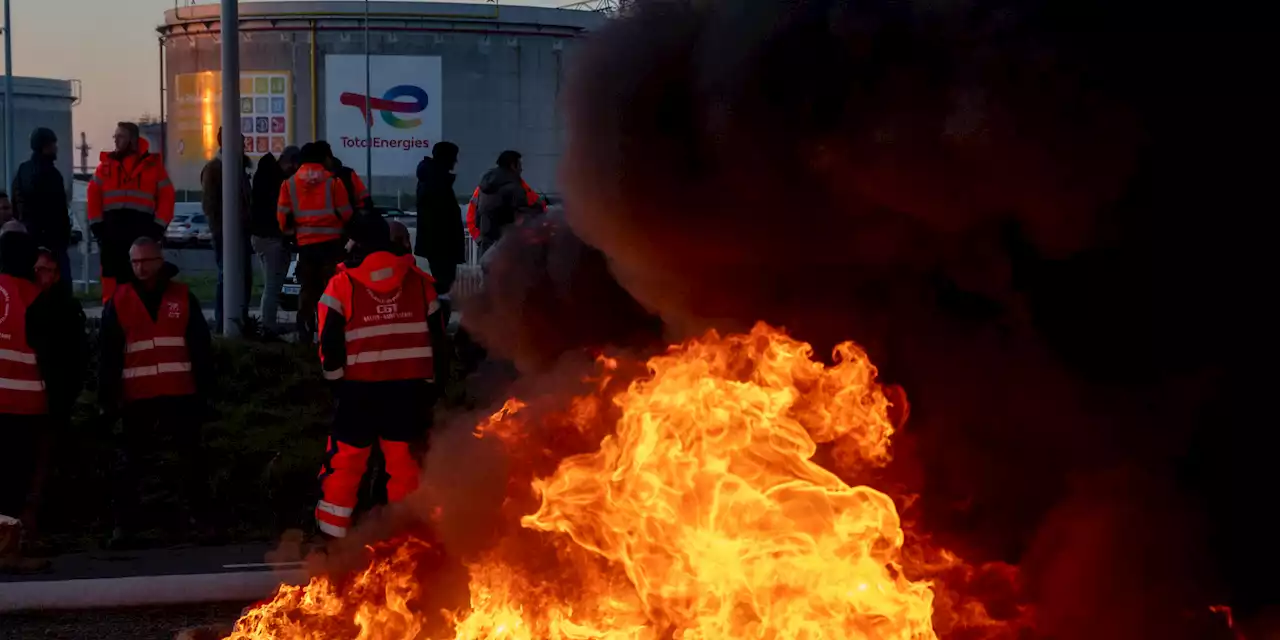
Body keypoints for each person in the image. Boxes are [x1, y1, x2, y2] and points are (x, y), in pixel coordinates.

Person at [314, 214, 449, 538]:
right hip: (408, 389)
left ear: (356, 243)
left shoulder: (342, 284)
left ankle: (331, 539)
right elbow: (439, 341)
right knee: (405, 467)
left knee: (346, 463)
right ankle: (405, 539)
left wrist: (336, 383)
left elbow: (328, 342)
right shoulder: (419, 282)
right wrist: (434, 385)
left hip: (358, 390)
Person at [98, 237, 214, 548]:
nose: (140, 267)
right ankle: (125, 528)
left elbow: (201, 348)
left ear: (159, 261)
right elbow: (107, 356)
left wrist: (204, 393)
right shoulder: (119, 300)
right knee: (131, 465)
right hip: (139, 396)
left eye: (146, 261)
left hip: (180, 393)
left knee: (191, 461)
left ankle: (202, 523)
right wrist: (108, 399)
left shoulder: (182, 296)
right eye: (135, 262)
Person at [20, 247, 88, 548]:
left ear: (57, 274)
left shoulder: (65, 308)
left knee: (45, 466)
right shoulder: (25, 304)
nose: (40, 276)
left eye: (46, 270)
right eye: (37, 270)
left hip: (53, 401)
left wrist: (64, 396)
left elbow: (77, 357)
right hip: (23, 402)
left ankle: (38, 527)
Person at [0, 229, 55, 573]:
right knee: (12, 482)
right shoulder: (33, 299)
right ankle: (6, 550)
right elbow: (52, 359)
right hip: (21, 404)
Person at [87, 122, 176, 304]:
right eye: (115, 136)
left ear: (133, 140)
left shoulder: (152, 167)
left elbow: (167, 197)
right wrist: (97, 227)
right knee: (111, 277)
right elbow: (93, 195)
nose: (116, 141)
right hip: (112, 232)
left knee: (141, 277)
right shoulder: (105, 166)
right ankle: (110, 315)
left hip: (140, 229)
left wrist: (158, 227)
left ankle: (140, 317)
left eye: (120, 136)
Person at [278, 143, 353, 345]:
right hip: (332, 246)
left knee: (308, 292)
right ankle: (331, 335)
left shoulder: (289, 184)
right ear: (323, 159)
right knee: (332, 291)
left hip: (306, 247)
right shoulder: (334, 182)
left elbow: (283, 218)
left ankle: (305, 333)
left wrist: (293, 234)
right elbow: (347, 214)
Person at [201, 126, 253, 334]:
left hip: (242, 233)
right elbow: (210, 205)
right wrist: (223, 230)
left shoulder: (240, 167)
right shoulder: (215, 169)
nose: (243, 146)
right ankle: (224, 323)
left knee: (244, 277)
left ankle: (241, 320)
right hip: (225, 234)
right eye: (239, 142)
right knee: (227, 277)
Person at [12, 128, 71, 285]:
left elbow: (15, 205)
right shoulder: (52, 174)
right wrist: (65, 237)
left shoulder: (22, 170)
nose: (56, 148)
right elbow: (59, 211)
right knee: (60, 284)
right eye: (53, 144)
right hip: (52, 241)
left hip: (27, 239)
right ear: (46, 146)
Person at [249, 147, 297, 335]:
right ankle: (268, 327)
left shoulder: (266, 175)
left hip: (262, 236)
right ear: (291, 162)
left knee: (271, 285)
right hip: (271, 238)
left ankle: (268, 325)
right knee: (273, 286)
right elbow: (279, 212)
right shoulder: (275, 181)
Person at [415, 142, 465, 322]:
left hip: (439, 246)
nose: (455, 161)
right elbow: (442, 219)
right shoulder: (436, 183)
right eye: (453, 157)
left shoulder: (432, 180)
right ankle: (440, 323)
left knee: (443, 285)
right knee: (443, 286)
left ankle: (440, 322)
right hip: (442, 246)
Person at [471, 150, 546, 255]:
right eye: (519, 165)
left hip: (487, 243)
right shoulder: (513, 186)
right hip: (506, 245)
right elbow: (521, 215)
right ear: (513, 165)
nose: (521, 169)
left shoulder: (484, 187)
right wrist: (538, 208)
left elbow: (476, 213)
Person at [315, 141, 372, 215]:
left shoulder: (347, 174)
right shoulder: (313, 177)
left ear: (327, 158)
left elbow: (365, 200)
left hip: (348, 223)